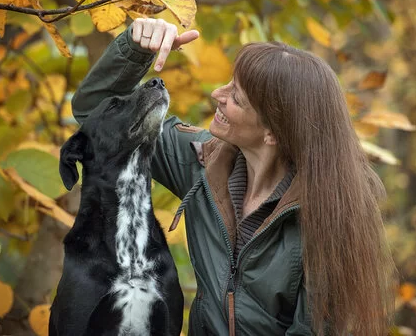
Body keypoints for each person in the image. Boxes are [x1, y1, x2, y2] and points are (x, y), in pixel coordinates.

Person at [71, 18, 397, 335]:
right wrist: (135, 49)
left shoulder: (331, 214)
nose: (217, 94)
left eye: (236, 98)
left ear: (272, 133)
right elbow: (96, 115)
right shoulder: (202, 161)